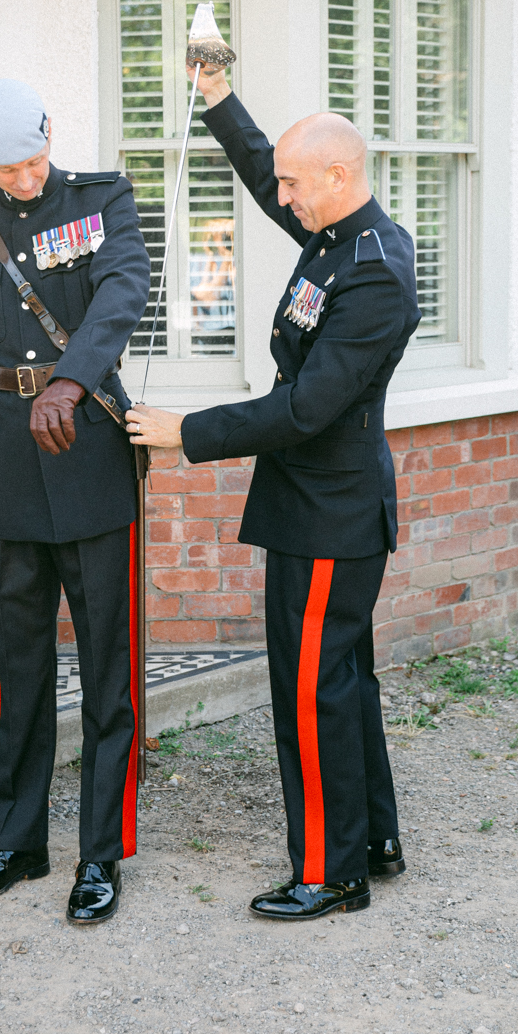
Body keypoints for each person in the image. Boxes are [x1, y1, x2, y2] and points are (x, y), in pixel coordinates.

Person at [126, 61, 420, 923]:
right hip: (312, 505)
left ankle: (331, 873)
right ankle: (373, 840)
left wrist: (191, 432)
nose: (282, 197)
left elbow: (306, 407)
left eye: (298, 183)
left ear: (340, 176)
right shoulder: (335, 236)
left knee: (311, 689)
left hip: (332, 511)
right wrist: (218, 100)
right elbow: (267, 172)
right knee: (343, 681)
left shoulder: (373, 273)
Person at [0, 78, 150, 924]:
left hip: (87, 456)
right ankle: (15, 843)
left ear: (52, 140)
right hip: (10, 456)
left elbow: (123, 294)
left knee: (110, 674)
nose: (23, 178)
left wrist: (73, 382)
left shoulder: (104, 200)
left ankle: (100, 854)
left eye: (34, 161)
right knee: (20, 672)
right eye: (7, 168)